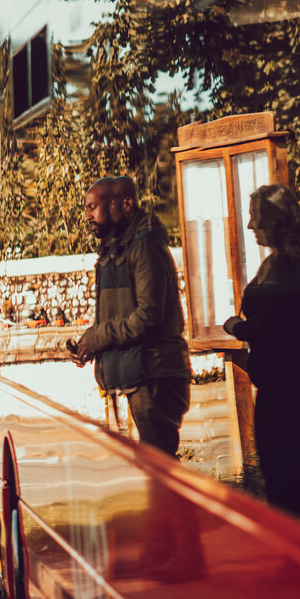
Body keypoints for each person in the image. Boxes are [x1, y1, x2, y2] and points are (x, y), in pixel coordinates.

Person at [223, 185, 300, 523]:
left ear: (275, 220)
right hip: (288, 389)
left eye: (255, 217)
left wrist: (236, 326)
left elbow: (275, 327)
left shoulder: (289, 267)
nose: (249, 226)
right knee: (295, 482)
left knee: (294, 483)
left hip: (292, 394)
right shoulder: (290, 261)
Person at [69, 176, 191, 456]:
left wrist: (98, 337)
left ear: (124, 204)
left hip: (154, 375)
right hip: (139, 374)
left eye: (92, 207)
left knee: (159, 470)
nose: (88, 215)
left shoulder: (145, 246)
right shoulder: (118, 248)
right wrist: (90, 343)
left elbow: (147, 315)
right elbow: (121, 313)